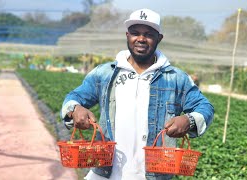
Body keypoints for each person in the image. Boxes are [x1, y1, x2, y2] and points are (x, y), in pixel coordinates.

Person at [61, 8, 214, 180]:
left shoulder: (176, 78)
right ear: (127, 35)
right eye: (135, 33)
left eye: (148, 34)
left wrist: (189, 120)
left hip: (154, 173)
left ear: (159, 38)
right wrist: (75, 109)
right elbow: (74, 97)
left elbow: (205, 107)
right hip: (105, 173)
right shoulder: (104, 73)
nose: (141, 39)